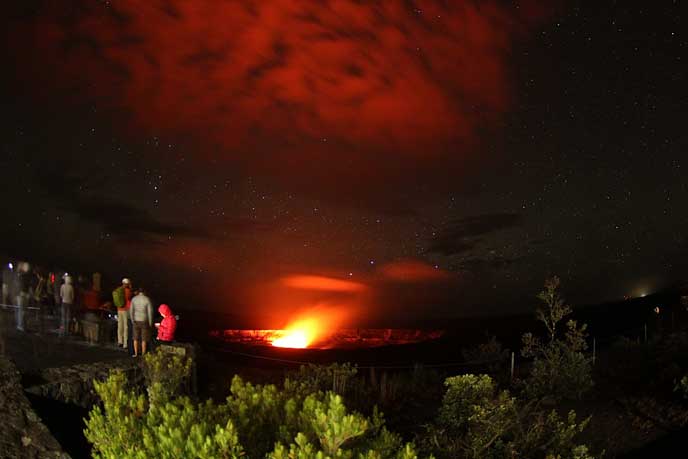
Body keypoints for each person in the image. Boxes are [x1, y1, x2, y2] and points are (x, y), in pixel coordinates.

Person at [130, 288, 153, 357]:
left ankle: (136, 353)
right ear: (144, 292)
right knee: (144, 338)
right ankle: (143, 354)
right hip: (144, 320)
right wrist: (150, 322)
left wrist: (132, 320)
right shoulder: (147, 299)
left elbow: (131, 311)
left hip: (136, 320)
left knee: (135, 338)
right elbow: (150, 312)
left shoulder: (134, 299)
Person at [113, 278, 133, 349]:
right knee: (126, 327)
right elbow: (130, 297)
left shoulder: (118, 290)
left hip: (119, 309)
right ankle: (125, 344)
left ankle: (120, 341)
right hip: (125, 310)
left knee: (119, 326)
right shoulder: (127, 291)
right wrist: (130, 288)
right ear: (127, 284)